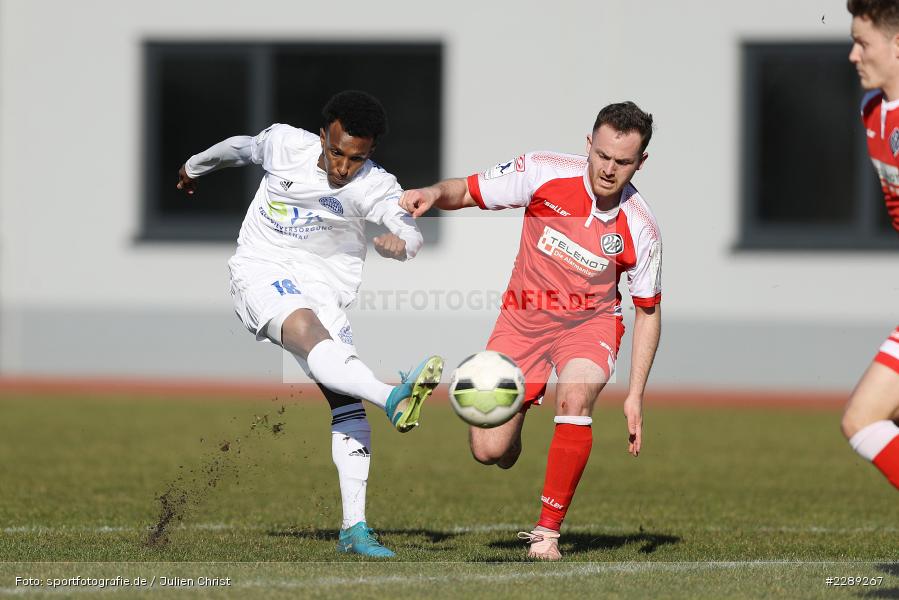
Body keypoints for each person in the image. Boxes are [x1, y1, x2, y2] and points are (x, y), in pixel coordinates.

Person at [176, 90, 444, 557]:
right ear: (323, 136)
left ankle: (354, 529)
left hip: (325, 292)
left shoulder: (377, 185)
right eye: (335, 152)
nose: (342, 167)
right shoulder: (286, 145)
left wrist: (401, 245)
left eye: (355, 159)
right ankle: (391, 395)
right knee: (305, 329)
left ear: (371, 154)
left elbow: (409, 231)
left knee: (345, 402)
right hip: (262, 269)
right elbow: (240, 147)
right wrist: (194, 166)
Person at [400, 101, 662, 560]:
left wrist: (636, 393)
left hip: (589, 325)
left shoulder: (641, 228)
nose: (609, 169)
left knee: (576, 397)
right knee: (490, 449)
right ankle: (519, 412)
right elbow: (466, 190)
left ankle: (546, 533)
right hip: (521, 322)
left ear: (641, 163)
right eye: (602, 155)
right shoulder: (542, 171)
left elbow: (648, 312)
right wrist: (431, 193)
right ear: (588, 145)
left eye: (623, 162)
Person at [842, 0, 899, 490]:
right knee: (865, 421)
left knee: (864, 420)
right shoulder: (872, 110)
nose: (852, 54)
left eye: (863, 42)